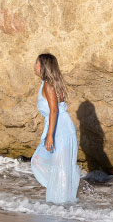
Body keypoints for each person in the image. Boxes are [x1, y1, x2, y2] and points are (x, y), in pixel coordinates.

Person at [31, 53, 80, 203]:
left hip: (61, 129)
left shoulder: (48, 85)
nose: (34, 67)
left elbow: (54, 110)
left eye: (37, 64)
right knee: (49, 164)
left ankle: (63, 199)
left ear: (43, 67)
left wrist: (50, 135)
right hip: (61, 126)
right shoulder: (49, 84)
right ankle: (63, 191)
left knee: (41, 162)